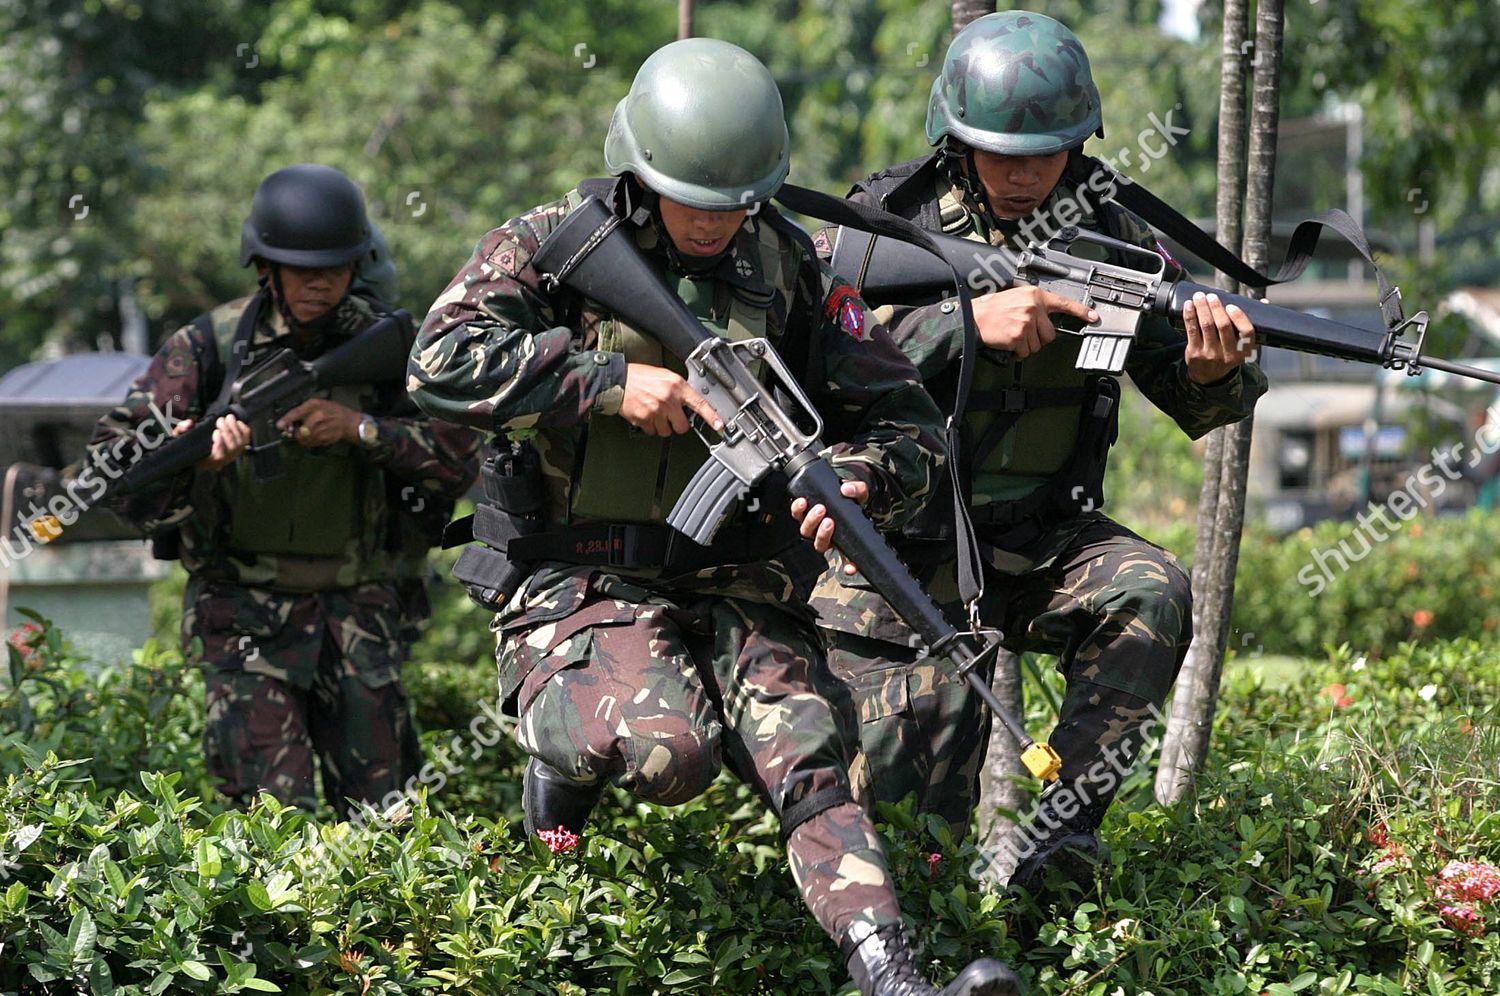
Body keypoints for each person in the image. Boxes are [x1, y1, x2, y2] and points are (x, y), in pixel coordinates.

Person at [409, 37, 1020, 996]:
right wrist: (605, 384)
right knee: (672, 752)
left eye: (737, 201)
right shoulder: (551, 245)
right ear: (642, 172)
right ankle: (558, 772)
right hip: (580, 578)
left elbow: (910, 423)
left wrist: (858, 476)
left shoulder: (790, 267)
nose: (716, 224)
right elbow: (437, 362)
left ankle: (892, 974)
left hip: (740, 583)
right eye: (695, 199)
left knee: (813, 752)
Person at [810, 10, 1268, 894]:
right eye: (999, 152)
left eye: (1047, 152)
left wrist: (1215, 369)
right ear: (954, 139)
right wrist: (961, 328)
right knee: (914, 841)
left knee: (1150, 590)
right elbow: (813, 364)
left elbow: (1202, 404)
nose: (1023, 173)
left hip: (1041, 538)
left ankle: (1058, 849)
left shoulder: (1115, 237)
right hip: (900, 552)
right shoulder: (879, 230)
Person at [89, 163, 480, 818]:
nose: (319, 282)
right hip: (243, 613)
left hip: (359, 608)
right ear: (264, 266)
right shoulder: (206, 348)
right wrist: (196, 460)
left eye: (334, 267)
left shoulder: (387, 347)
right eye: (300, 268)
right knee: (270, 823)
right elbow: (114, 471)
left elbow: (459, 461)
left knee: (390, 821)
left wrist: (360, 429)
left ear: (358, 266)